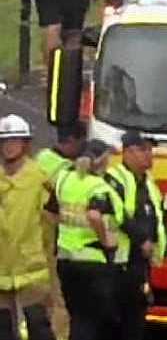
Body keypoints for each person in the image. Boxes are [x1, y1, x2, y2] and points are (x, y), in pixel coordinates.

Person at [104, 131, 167, 340]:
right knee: (115, 321)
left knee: (136, 320)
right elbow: (119, 214)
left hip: (140, 264)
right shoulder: (114, 179)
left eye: (150, 150)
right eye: (143, 150)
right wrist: (142, 240)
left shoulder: (149, 183)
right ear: (128, 152)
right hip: (118, 262)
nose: (149, 155)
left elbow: (161, 216)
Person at [50, 139, 128, 340]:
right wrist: (106, 242)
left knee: (76, 317)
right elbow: (94, 215)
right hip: (93, 260)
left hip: (65, 259)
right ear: (101, 160)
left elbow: (51, 212)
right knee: (90, 321)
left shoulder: (64, 179)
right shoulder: (98, 186)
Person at [0, 115, 56, 340]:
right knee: (3, 328)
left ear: (25, 144)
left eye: (14, 141)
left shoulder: (38, 178)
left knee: (38, 325)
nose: (8, 146)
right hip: (1, 267)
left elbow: (54, 215)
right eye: (4, 141)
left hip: (31, 266)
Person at [34, 121, 84, 340]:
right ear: (72, 140)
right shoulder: (65, 170)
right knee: (58, 299)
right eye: (81, 143)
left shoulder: (42, 157)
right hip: (52, 239)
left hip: (33, 239)